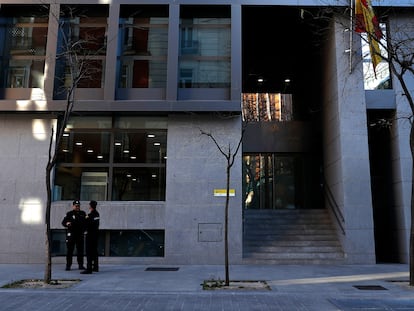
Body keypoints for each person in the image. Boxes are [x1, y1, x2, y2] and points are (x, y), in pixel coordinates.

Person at [62, 200, 86, 271]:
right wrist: (67, 223)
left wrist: (85, 230)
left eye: (78, 206)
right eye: (76, 206)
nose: (77, 207)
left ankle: (80, 265)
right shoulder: (69, 214)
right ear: (73, 206)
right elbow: (63, 222)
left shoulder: (83, 213)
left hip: (80, 235)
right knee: (70, 251)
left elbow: (85, 223)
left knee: (80, 251)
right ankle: (68, 265)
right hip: (72, 235)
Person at [81, 200, 100, 274]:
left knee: (89, 252)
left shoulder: (91, 215)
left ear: (91, 206)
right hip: (95, 235)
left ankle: (89, 269)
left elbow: (88, 224)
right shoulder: (97, 214)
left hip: (90, 235)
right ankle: (95, 267)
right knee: (94, 251)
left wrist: (85, 219)